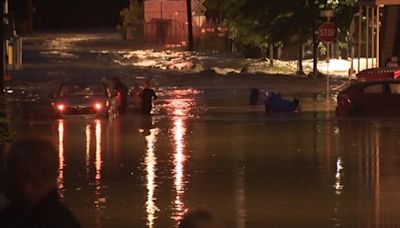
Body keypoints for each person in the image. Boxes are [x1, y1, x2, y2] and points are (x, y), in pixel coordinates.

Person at [0, 139, 81, 228]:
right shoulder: (63, 219)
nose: (4, 178)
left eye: (10, 171)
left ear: (28, 178)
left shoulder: (25, 220)